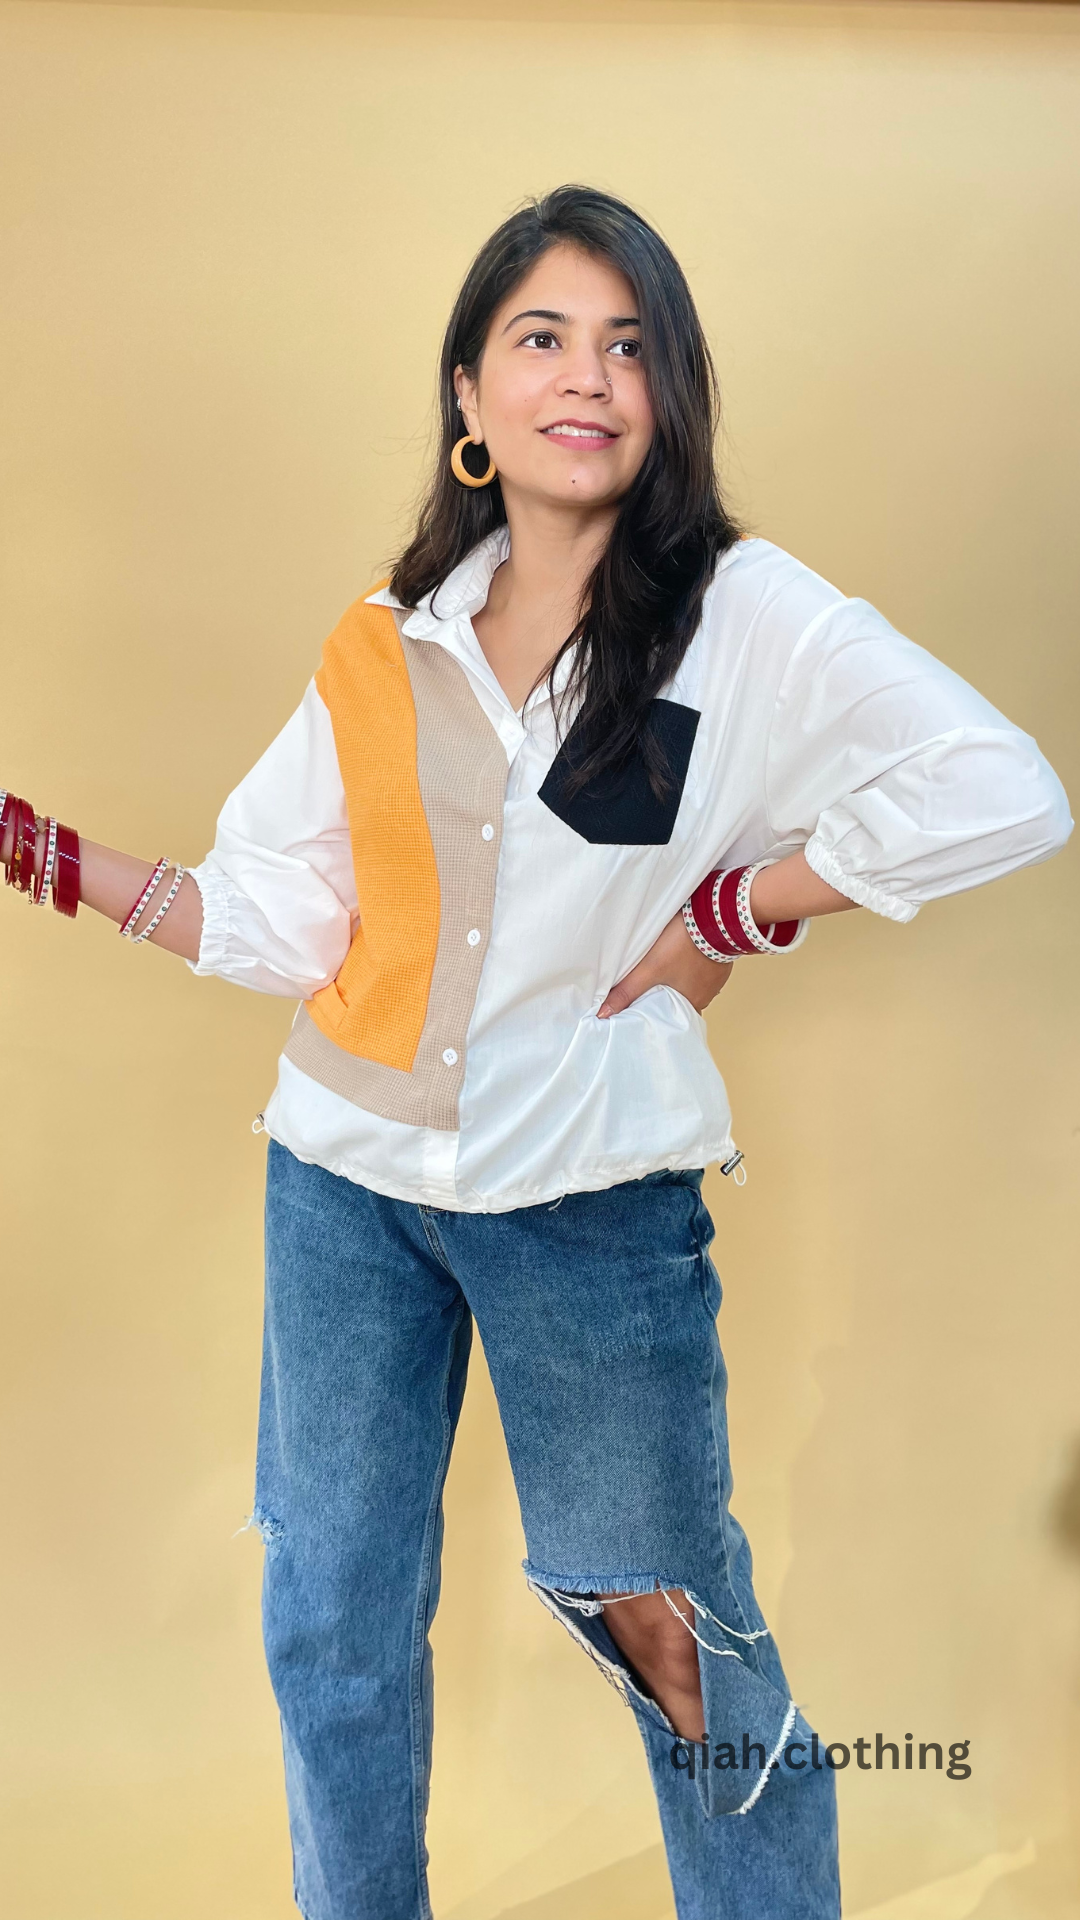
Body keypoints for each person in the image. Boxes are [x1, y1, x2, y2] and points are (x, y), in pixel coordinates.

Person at [2, 183, 1071, 1920]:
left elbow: (1007, 792)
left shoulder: (747, 613)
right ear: (469, 395)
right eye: (544, 338)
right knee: (330, 1621)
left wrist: (742, 907)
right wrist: (40, 852)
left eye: (630, 344)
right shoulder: (384, 640)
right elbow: (282, 922)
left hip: (588, 1203)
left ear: (671, 392)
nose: (590, 377)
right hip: (343, 1188)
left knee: (670, 1630)